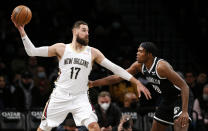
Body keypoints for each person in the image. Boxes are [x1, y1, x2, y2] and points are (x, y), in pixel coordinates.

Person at [11, 18, 151, 131]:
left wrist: (136, 82)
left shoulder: (93, 52)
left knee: (94, 127)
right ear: (74, 31)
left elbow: (116, 68)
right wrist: (21, 30)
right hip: (60, 95)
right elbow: (32, 51)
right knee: (44, 128)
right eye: (84, 30)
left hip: (80, 97)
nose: (87, 33)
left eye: (88, 31)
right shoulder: (61, 48)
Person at [90, 42, 194, 131]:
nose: (137, 53)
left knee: (180, 122)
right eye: (137, 51)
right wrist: (94, 83)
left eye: (140, 51)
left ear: (149, 54)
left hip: (181, 96)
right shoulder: (139, 65)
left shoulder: (161, 67)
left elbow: (185, 86)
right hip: (167, 98)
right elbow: (118, 77)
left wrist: (184, 111)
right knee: (156, 127)